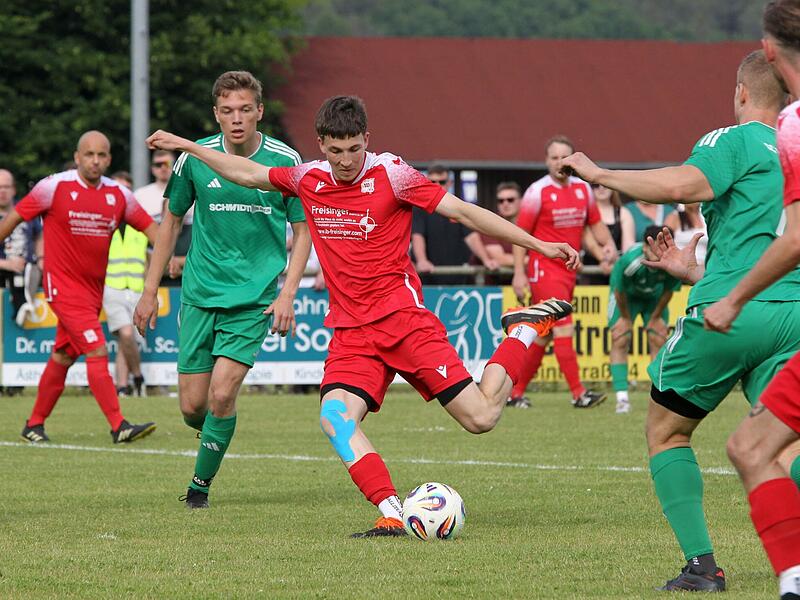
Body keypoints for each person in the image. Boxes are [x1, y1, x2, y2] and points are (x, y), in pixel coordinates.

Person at [143, 94, 580, 535]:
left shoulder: (394, 174)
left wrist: (538, 245)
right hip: (352, 332)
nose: (346, 160)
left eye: (354, 149)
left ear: (366, 139)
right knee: (335, 418)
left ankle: (522, 331)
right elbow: (250, 173)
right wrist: (192, 146)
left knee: (482, 418)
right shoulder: (309, 178)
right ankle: (391, 512)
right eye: (335, 151)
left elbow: (464, 212)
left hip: (404, 322)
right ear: (321, 145)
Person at [561, 49, 797, 592]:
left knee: (667, 433)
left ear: (741, 92)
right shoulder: (795, 147)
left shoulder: (731, 140)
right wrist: (687, 271)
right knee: (782, 444)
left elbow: (678, 187)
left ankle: (702, 566)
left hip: (735, 317)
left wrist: (600, 173)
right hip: (794, 313)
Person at [134, 71, 312, 510]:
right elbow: (170, 223)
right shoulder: (194, 158)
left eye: (245, 110)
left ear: (259, 112)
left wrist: (287, 292)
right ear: (216, 114)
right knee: (193, 408)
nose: (237, 119)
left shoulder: (285, 160)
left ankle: (198, 489)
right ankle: (215, 428)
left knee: (221, 394)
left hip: (252, 301)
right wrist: (148, 290)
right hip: (198, 295)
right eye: (228, 111)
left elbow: (303, 228)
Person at [698, 4, 800, 598]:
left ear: (767, 48)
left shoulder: (790, 127)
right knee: (752, 445)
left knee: (752, 447)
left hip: (765, 307)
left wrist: (733, 298)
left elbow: (795, 239)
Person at [4, 131, 159, 444]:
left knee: (62, 356)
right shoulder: (53, 187)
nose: (95, 161)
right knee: (97, 348)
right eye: (89, 155)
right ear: (77, 157)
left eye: (101, 155)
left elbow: (152, 229)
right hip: (62, 288)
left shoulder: (119, 195)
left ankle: (33, 425)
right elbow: (15, 218)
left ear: (109, 159)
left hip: (92, 293)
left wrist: (168, 258)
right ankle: (119, 425)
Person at [511, 135, 616, 409]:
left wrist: (608, 249)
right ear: (547, 161)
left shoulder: (583, 189)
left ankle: (514, 393)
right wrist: (518, 274)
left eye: (564, 157)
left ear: (573, 160)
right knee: (563, 329)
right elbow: (519, 234)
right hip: (543, 269)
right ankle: (579, 394)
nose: (559, 162)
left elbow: (594, 226)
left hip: (568, 270)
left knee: (543, 334)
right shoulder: (537, 192)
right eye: (554, 157)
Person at [607, 225, 681, 414]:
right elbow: (619, 290)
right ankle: (622, 399)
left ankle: (659, 398)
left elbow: (668, 291)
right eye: (655, 247)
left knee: (658, 338)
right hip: (627, 299)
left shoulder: (672, 261)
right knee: (620, 338)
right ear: (645, 247)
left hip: (653, 300)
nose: (659, 252)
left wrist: (656, 317)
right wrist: (624, 318)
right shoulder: (630, 261)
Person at [412, 165, 497, 284]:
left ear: (449, 183)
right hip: (429, 277)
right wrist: (422, 261)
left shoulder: (457, 206)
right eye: (432, 182)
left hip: (458, 277)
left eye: (441, 182)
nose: (437, 185)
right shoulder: (420, 208)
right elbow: (417, 236)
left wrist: (486, 260)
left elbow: (471, 236)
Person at [105, 170, 148, 397]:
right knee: (126, 334)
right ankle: (139, 375)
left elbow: (150, 256)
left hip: (137, 289)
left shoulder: (139, 223)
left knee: (125, 341)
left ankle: (122, 386)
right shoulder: (103, 220)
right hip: (112, 287)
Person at [580, 183, 635, 284]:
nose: (601, 188)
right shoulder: (583, 212)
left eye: (605, 184)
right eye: (595, 185)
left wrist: (617, 262)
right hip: (590, 272)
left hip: (617, 268)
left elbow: (628, 248)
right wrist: (603, 258)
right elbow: (587, 243)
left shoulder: (623, 213)